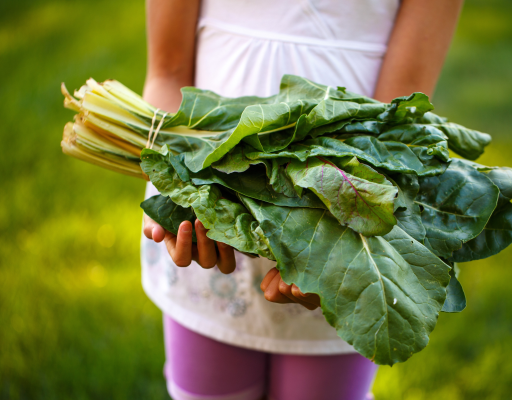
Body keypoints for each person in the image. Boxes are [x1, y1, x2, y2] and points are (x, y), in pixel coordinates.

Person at [141, 1, 463, 399]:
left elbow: (392, 129)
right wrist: (176, 183)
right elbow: (167, 72)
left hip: (342, 230)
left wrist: (340, 261)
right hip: (209, 222)